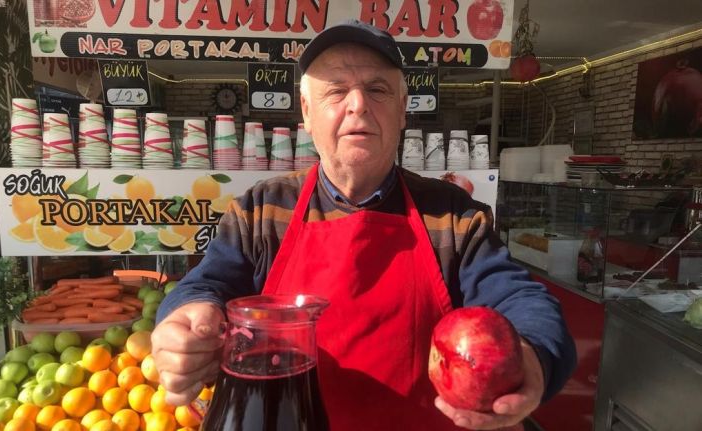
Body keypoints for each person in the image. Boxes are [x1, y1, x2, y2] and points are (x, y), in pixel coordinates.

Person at [152, 19, 577, 431]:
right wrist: (186, 318)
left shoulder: (454, 216)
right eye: (337, 91)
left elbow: (520, 298)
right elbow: (206, 285)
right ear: (307, 113)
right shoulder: (259, 211)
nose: (358, 104)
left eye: (377, 89)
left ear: (402, 111)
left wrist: (530, 357)